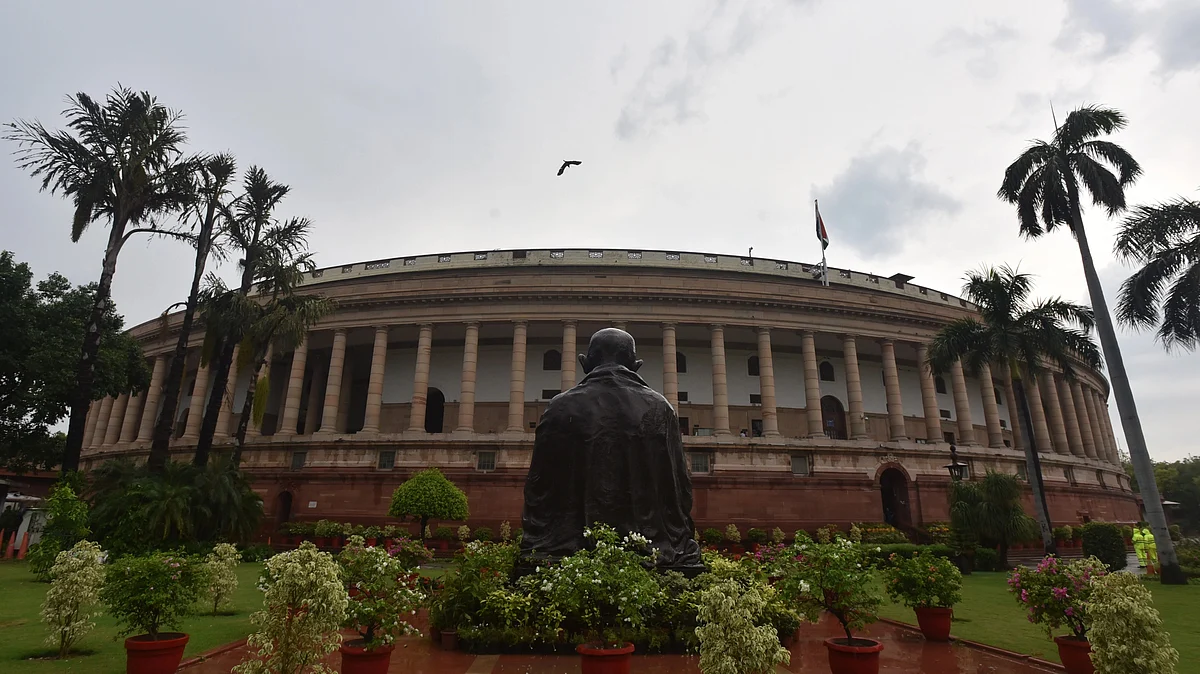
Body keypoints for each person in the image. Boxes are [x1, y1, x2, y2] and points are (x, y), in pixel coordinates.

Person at [519, 328, 704, 576]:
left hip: (564, 547)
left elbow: (537, 487)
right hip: (651, 547)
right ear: (635, 365)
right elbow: (679, 487)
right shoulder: (661, 408)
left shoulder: (558, 407)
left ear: (585, 363)